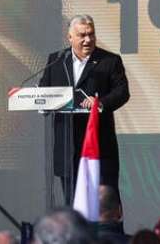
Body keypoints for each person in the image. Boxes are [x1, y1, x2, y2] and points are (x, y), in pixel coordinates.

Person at [40, 15, 130, 204]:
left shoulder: (109, 61)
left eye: (91, 34)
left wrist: (100, 103)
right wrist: (41, 103)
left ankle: (107, 234)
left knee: (104, 205)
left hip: (99, 146)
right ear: (70, 37)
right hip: (67, 147)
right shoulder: (56, 60)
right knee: (73, 205)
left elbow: (122, 92)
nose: (88, 40)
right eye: (82, 35)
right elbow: (44, 90)